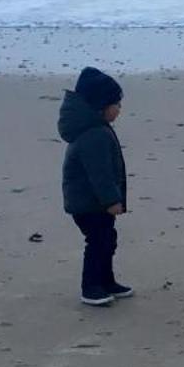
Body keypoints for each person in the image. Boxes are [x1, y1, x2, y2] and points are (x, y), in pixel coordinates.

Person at [57, 66, 132, 307]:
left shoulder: (96, 129)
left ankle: (106, 281)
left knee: (107, 239)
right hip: (89, 203)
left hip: (92, 201)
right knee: (98, 241)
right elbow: (99, 174)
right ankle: (90, 287)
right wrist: (111, 200)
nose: (119, 109)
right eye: (116, 104)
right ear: (101, 106)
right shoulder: (94, 135)